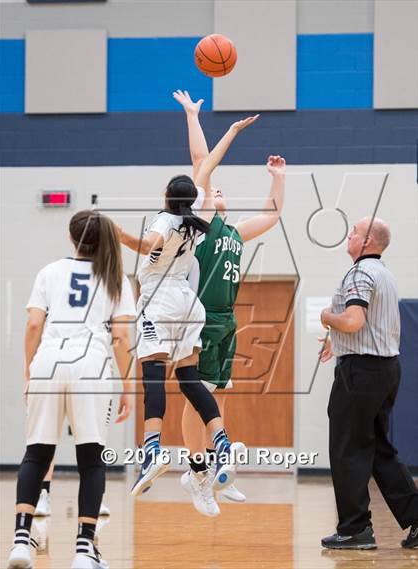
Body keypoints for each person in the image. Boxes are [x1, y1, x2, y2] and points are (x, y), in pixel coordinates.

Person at [118, 112, 258, 515]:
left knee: (152, 374)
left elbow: (148, 245)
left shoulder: (166, 217)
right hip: (188, 303)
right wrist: (230, 131)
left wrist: (118, 233)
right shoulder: (198, 220)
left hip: (160, 300)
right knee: (190, 378)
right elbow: (207, 162)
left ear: (166, 196)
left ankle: (152, 453)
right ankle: (222, 443)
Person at [172, 90, 286, 513]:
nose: (216, 188)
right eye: (210, 188)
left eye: (219, 188)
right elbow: (202, 163)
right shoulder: (198, 229)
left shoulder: (236, 232)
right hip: (198, 318)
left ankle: (214, 467)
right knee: (197, 395)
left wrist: (278, 178)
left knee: (219, 395)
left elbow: (273, 216)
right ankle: (196, 470)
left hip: (225, 319)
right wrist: (193, 116)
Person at [7, 210, 136, 569]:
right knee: (91, 460)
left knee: (36, 453)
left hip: (48, 362)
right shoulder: (116, 278)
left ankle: (20, 542)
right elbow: (122, 338)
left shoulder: (49, 272)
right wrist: (126, 385)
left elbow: (34, 324)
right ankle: (83, 550)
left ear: (70, 236)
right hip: (91, 367)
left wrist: (28, 372)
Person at [319, 216, 418, 550]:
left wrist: (327, 318)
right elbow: (369, 324)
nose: (349, 235)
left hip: (361, 373)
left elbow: (354, 320)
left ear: (367, 243)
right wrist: (338, 337)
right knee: (377, 449)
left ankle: (355, 529)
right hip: (386, 369)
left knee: (347, 448)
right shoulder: (385, 274)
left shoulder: (360, 273)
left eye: (354, 232)